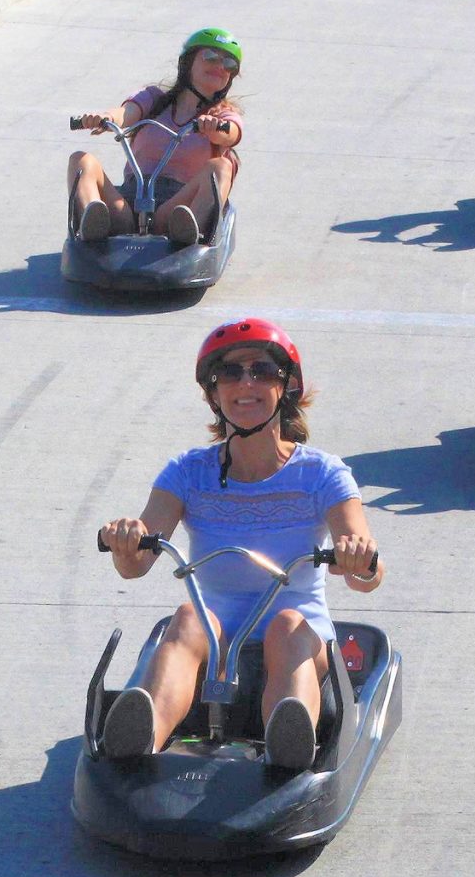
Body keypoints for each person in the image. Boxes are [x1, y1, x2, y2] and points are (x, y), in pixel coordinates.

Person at [98, 318, 384, 770]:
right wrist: (127, 541)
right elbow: (136, 565)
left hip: (299, 633)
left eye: (262, 371)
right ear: (213, 394)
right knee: (188, 616)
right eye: (230, 373)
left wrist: (358, 558)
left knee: (286, 626)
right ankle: (141, 739)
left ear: (285, 387)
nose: (246, 383)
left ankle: (288, 745)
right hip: (212, 637)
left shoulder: (323, 474)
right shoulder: (187, 472)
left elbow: (366, 570)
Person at [67, 28, 244, 246]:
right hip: (128, 202)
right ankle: (92, 226)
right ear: (188, 62)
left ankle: (190, 236)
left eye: (229, 64)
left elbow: (231, 133)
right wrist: (105, 118)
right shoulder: (154, 99)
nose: (220, 66)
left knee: (222, 166)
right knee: (81, 160)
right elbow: (126, 113)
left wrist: (214, 128)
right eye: (211, 57)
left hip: (177, 207)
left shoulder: (222, 115)